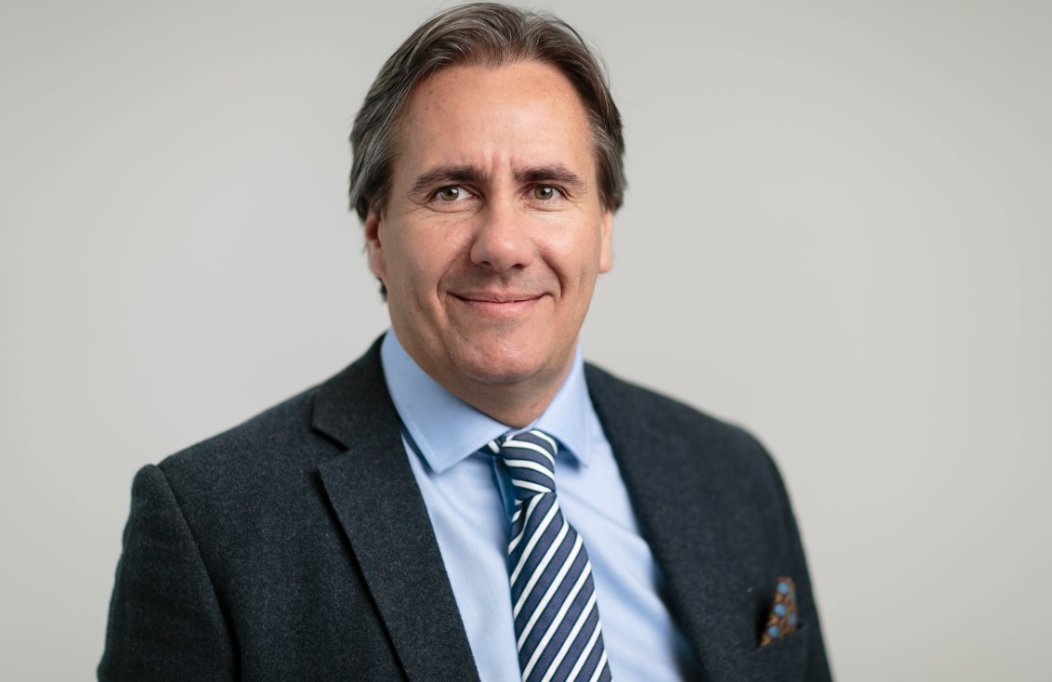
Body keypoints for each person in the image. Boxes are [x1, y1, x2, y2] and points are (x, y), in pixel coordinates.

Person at [99, 4, 832, 681]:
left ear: (604, 228)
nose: (502, 246)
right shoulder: (210, 524)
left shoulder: (733, 474)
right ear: (377, 234)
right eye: (451, 191)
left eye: (546, 189)